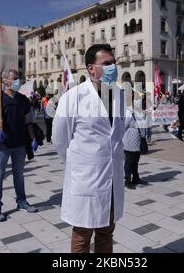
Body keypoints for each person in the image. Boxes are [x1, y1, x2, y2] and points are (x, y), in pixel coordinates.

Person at [52, 44, 131, 253]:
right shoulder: (73, 97)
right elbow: (59, 139)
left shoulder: (120, 95)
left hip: (112, 176)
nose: (113, 67)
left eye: (114, 63)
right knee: (82, 234)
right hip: (86, 177)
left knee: (106, 231)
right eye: (106, 63)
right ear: (91, 68)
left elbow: (120, 131)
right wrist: (77, 165)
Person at [0, 70, 39, 222]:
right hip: (2, 145)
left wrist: (32, 138)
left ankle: (21, 201)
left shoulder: (22, 99)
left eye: (19, 78)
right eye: (15, 79)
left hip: (20, 144)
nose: (18, 82)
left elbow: (28, 120)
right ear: (5, 81)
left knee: (19, 175)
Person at [123, 100, 148, 190]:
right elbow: (124, 125)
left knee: (136, 160)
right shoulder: (129, 111)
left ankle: (136, 178)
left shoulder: (141, 112)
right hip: (130, 139)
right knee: (129, 160)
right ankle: (127, 180)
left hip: (138, 139)